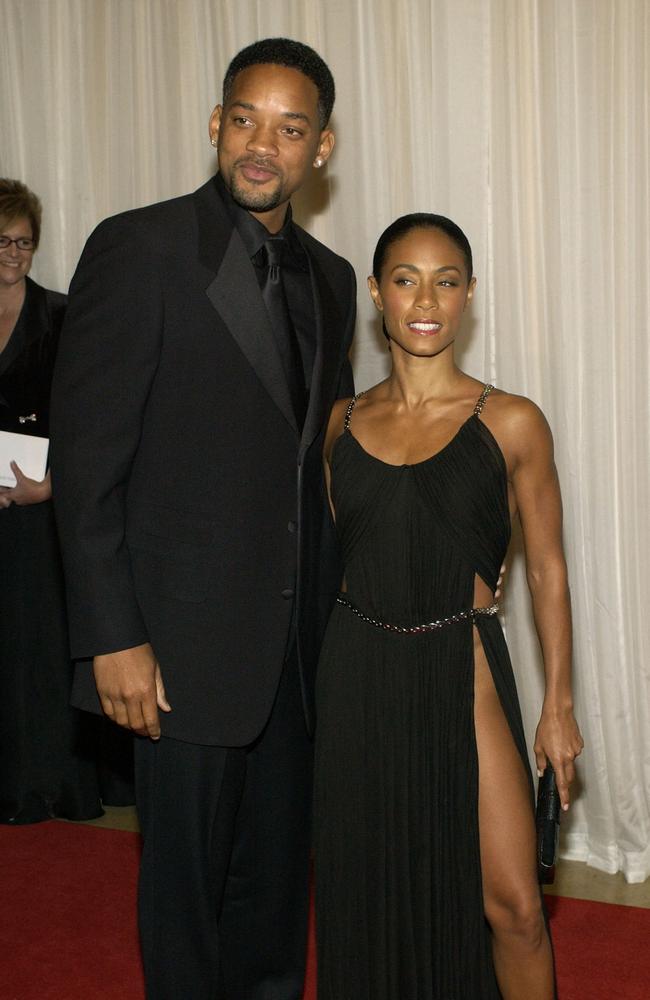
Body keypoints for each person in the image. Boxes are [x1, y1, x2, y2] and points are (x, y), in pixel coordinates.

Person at [50, 38, 355, 1000]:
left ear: (324, 147)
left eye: (290, 127)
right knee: (183, 906)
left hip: (297, 656)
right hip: (173, 655)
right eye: (246, 119)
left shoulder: (335, 278)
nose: (263, 145)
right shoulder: (139, 247)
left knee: (273, 901)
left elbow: (323, 464)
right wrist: (113, 638)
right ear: (215, 124)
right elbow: (88, 464)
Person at [313, 213, 584, 999]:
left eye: (447, 280)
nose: (425, 298)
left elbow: (548, 573)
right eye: (405, 278)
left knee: (515, 908)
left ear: (468, 295)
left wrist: (558, 706)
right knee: (367, 901)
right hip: (358, 677)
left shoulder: (512, 421)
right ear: (376, 294)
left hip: (462, 668)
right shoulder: (340, 424)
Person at [0, 178, 103, 824]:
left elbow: (89, 421)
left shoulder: (62, 316)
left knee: (35, 649)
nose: (13, 253)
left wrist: (53, 487)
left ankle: (45, 783)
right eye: (3, 240)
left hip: (38, 514)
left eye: (24, 242)